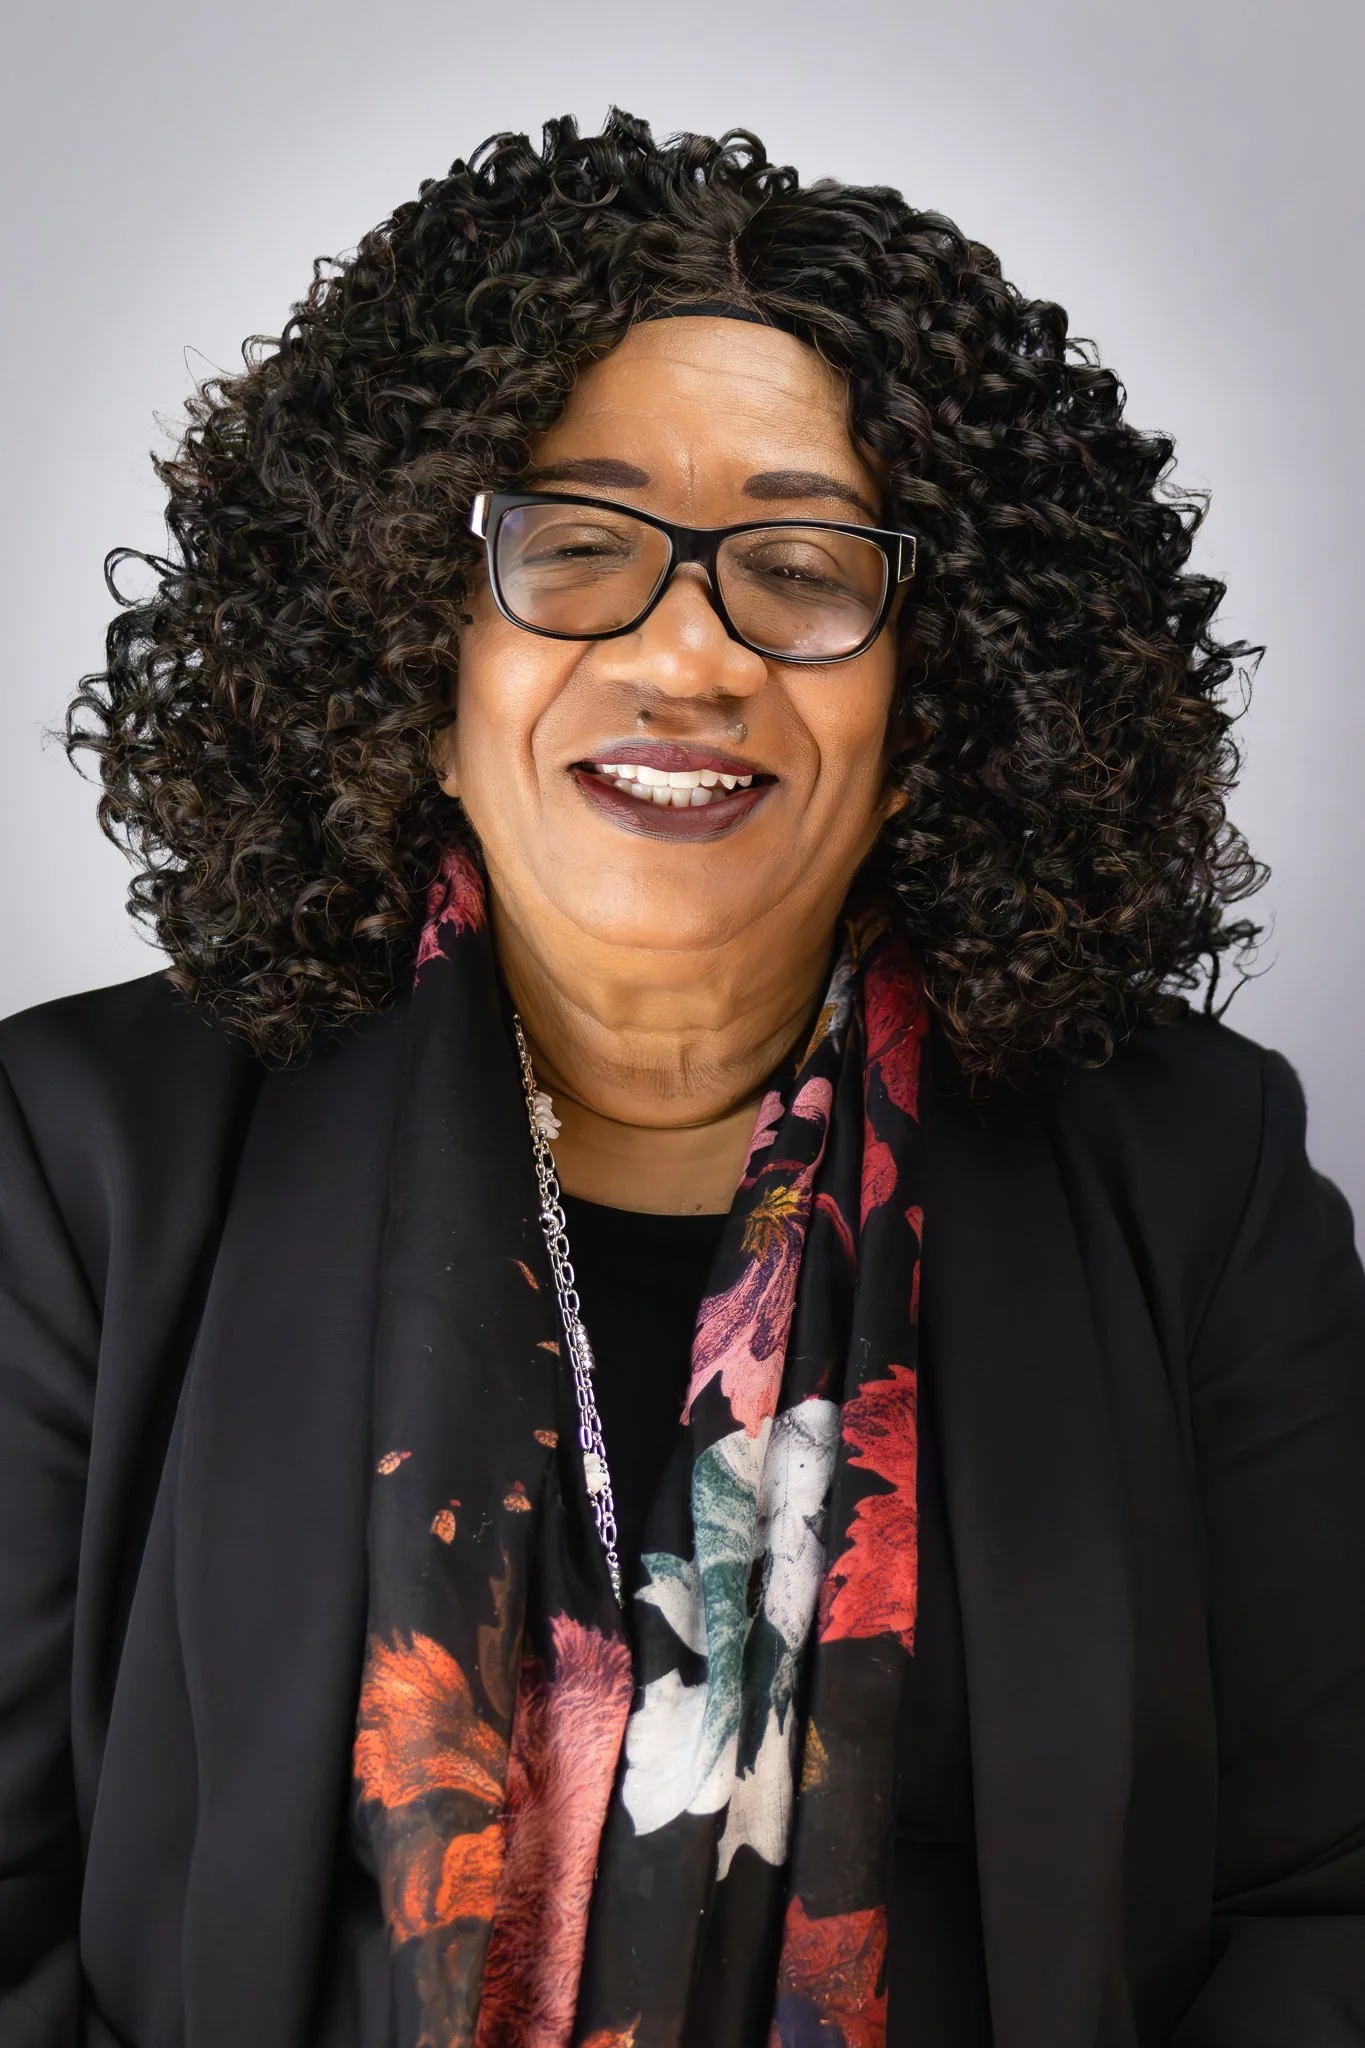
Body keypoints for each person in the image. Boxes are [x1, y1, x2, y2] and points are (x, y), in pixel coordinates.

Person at [1, 109, 1362, 2048]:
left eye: (799, 570)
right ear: (416, 650)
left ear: (932, 706)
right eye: (578, 547)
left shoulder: (1193, 1179)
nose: (689, 653)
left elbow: (1318, 1903)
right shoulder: (76, 1169)